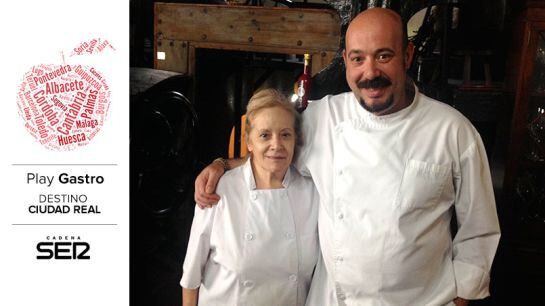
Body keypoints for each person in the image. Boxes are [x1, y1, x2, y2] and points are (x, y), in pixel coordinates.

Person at [194, 8, 500, 306]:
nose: (370, 73)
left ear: (407, 56)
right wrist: (221, 165)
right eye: (358, 59)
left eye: (384, 56)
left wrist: (462, 297)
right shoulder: (321, 117)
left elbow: (479, 226)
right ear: (345, 61)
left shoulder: (453, 131)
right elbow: (273, 151)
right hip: (334, 298)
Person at [181, 89, 319, 306]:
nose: (277, 145)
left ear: (296, 140)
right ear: (249, 141)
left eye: (285, 134)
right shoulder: (220, 189)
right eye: (265, 135)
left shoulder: (312, 193)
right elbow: (191, 272)